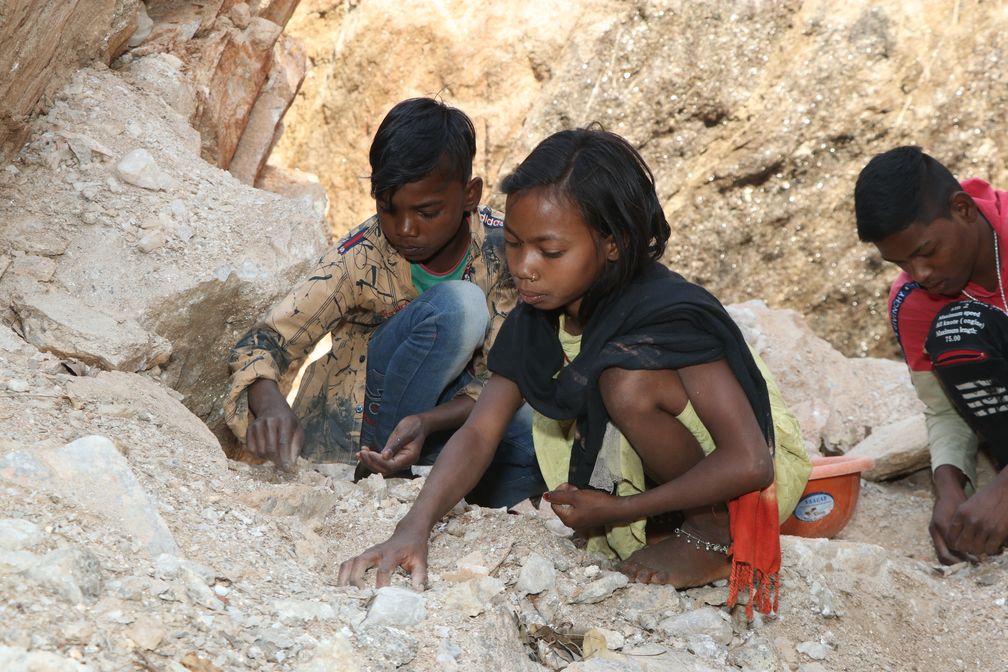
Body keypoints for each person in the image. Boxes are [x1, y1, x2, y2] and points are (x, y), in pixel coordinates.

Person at [338, 128, 811, 616]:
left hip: (746, 471)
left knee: (626, 383)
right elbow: (480, 431)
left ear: (612, 242)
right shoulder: (539, 314)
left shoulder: (669, 312)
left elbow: (750, 461)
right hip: (672, 466)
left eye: (550, 251)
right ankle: (667, 519)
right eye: (515, 245)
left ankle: (710, 530)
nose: (525, 267)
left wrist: (620, 510)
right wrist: (412, 529)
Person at [223, 97, 545, 509]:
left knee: (538, 430)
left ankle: (444, 484)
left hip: (451, 425)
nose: (406, 229)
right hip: (360, 429)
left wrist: (427, 424)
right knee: (458, 307)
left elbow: (502, 379)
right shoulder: (360, 255)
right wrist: (269, 403)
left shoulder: (506, 248)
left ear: (470, 194)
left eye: (427, 212)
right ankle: (381, 471)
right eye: (388, 210)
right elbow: (264, 341)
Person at [855, 145, 1008, 563]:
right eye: (900, 262)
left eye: (925, 251)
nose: (919, 274)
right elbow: (943, 409)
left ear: (962, 209)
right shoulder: (914, 300)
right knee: (957, 333)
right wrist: (948, 486)